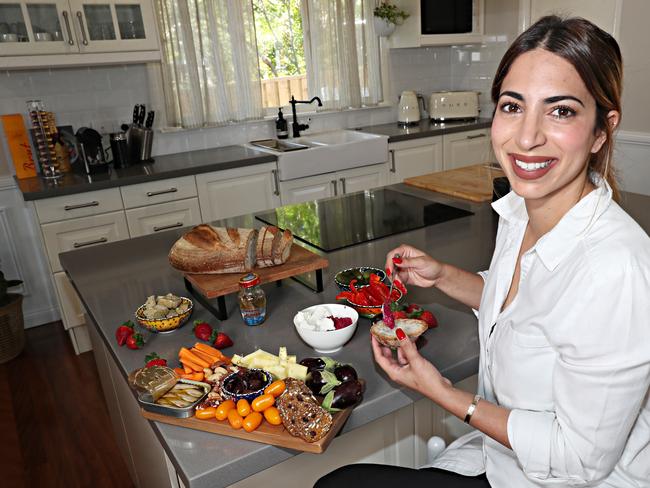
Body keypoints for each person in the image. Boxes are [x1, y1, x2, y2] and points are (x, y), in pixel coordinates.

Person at [315, 15, 650, 488]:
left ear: (601, 130)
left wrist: (444, 393)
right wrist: (443, 275)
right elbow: (527, 305)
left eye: (561, 111)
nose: (527, 136)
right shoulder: (521, 212)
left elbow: (579, 458)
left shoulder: (618, 270)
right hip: (499, 464)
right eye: (513, 106)